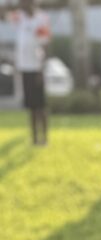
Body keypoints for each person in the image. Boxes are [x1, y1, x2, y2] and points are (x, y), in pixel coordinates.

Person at [11, 0, 51, 146]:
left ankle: (44, 138)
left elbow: (45, 44)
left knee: (41, 105)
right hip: (24, 67)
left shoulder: (41, 19)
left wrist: (41, 67)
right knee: (31, 106)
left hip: (36, 68)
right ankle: (34, 138)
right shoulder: (20, 18)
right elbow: (4, 14)